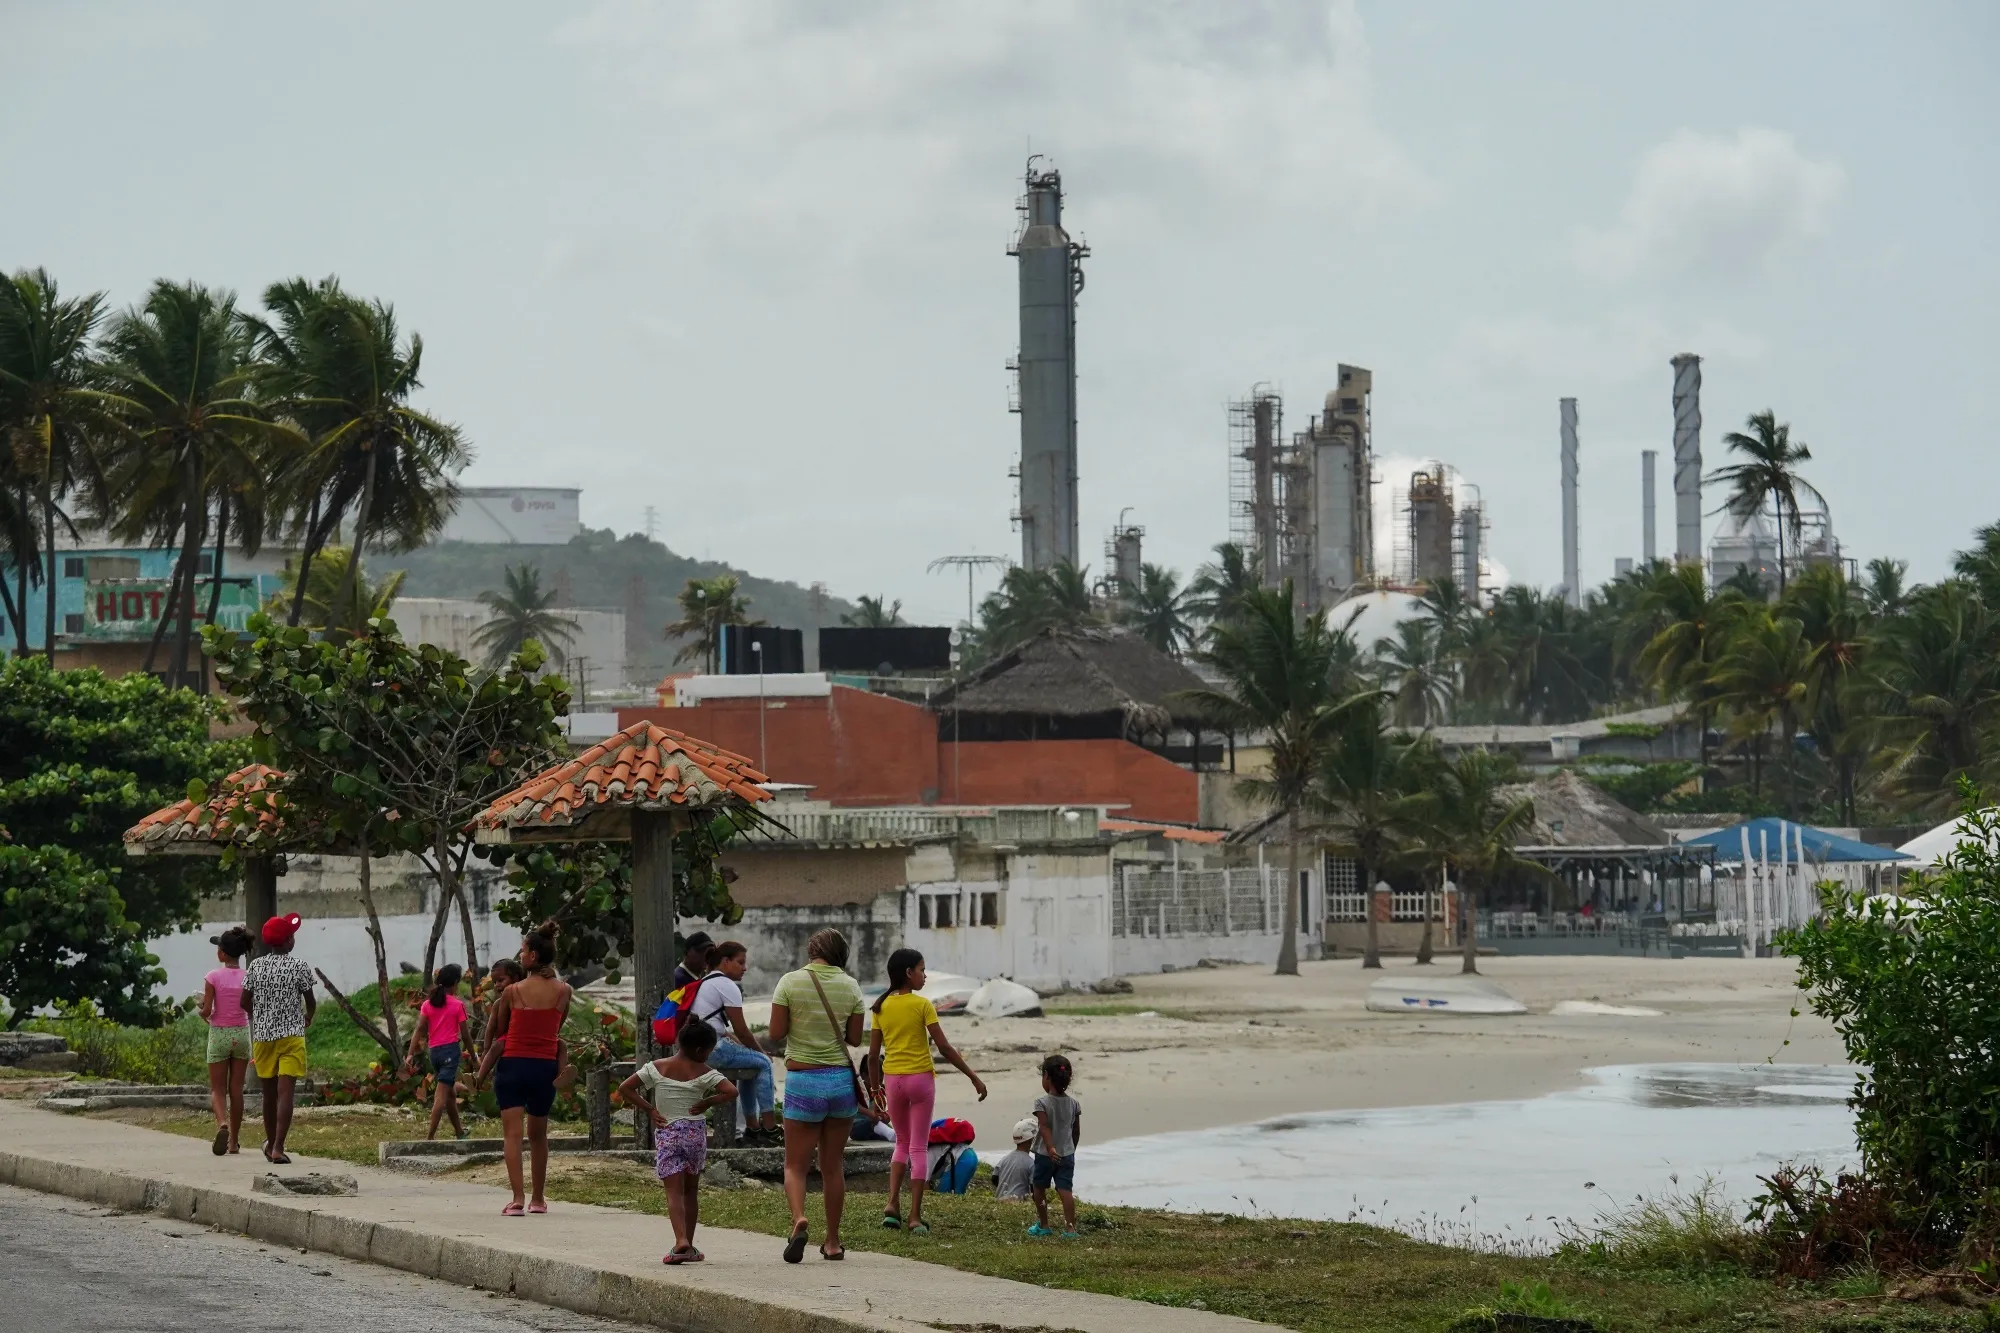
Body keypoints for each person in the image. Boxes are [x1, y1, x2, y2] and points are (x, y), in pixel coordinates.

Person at [865, 947, 988, 1235]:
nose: (925, 975)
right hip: (920, 1080)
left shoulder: (880, 1007)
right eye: (921, 970)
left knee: (901, 1144)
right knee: (918, 1147)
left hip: (892, 1080)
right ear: (908, 973)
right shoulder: (922, 1005)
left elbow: (872, 1056)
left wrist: (875, 1089)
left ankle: (892, 1204)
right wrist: (973, 1077)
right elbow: (944, 1047)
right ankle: (914, 1217)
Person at [767, 927, 865, 1263]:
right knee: (833, 1166)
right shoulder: (851, 986)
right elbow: (854, 1039)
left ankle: (799, 1220)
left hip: (803, 1081)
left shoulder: (789, 982)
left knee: (795, 1165)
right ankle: (834, 1242)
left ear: (812, 950)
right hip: (840, 1083)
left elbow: (776, 1033)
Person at [620, 1020, 737, 1264]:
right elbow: (731, 1091)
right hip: (694, 1134)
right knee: (691, 1191)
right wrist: (708, 1102)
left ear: (678, 1042)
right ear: (700, 1051)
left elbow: (626, 1088)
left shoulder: (656, 1068)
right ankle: (690, 1245)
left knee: (673, 1192)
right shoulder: (705, 1072)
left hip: (668, 1133)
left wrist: (650, 1110)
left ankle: (680, 1240)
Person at [487, 926, 573, 1216]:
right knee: (539, 1135)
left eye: (523, 951)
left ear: (532, 955)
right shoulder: (564, 991)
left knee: (512, 1135)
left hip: (513, 1065)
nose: (520, 955)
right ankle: (538, 1199)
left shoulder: (512, 992)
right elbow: (555, 1029)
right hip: (544, 1068)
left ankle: (517, 1200)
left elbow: (502, 1030)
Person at [239, 913, 316, 1165]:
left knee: (269, 1095)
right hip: (291, 1037)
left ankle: (270, 1143)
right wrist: (308, 1016)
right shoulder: (299, 966)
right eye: (292, 936)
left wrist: (257, 1016)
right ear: (289, 942)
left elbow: (244, 1001)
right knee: (286, 1095)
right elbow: (310, 1000)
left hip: (263, 1038)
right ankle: (278, 1148)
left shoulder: (256, 966)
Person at [687, 940, 779, 1143]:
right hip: (715, 1050)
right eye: (740, 962)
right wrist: (762, 1053)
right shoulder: (727, 985)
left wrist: (751, 1051)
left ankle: (753, 1129)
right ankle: (770, 1128)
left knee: (752, 1063)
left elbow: (725, 1031)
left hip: (702, 1049)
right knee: (764, 1064)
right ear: (725, 961)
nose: (744, 968)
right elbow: (742, 1031)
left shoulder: (708, 981)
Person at [199, 926, 255, 1156]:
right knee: (237, 1090)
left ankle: (222, 1123)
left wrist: (200, 1009)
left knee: (217, 1089)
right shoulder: (248, 976)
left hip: (219, 1034)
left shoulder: (213, 977)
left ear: (222, 953)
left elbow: (207, 1010)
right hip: (241, 1034)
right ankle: (233, 1142)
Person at [403, 963, 469, 1141]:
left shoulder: (427, 1004)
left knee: (449, 1094)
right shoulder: (457, 1005)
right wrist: (474, 1055)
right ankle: (430, 1138)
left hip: (434, 1053)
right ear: (455, 983)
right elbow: (466, 1035)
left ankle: (460, 1132)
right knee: (441, 1096)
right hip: (450, 1053)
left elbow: (419, 1029)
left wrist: (410, 1054)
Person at [1028, 1053, 1081, 1239]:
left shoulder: (1041, 1102)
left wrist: (1050, 1148)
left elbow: (1044, 1126)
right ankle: (1070, 1229)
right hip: (1067, 1153)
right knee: (1065, 1190)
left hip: (1045, 1153)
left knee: (1039, 1187)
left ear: (1047, 1077)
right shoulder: (1074, 1104)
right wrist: (1071, 1148)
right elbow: (1076, 1131)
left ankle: (1044, 1225)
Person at [992, 1117, 1037, 1202]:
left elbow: (994, 1178)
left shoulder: (1005, 1159)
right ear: (1031, 1139)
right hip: (1017, 1204)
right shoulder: (1031, 1163)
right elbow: (1034, 1189)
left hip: (999, 1202)